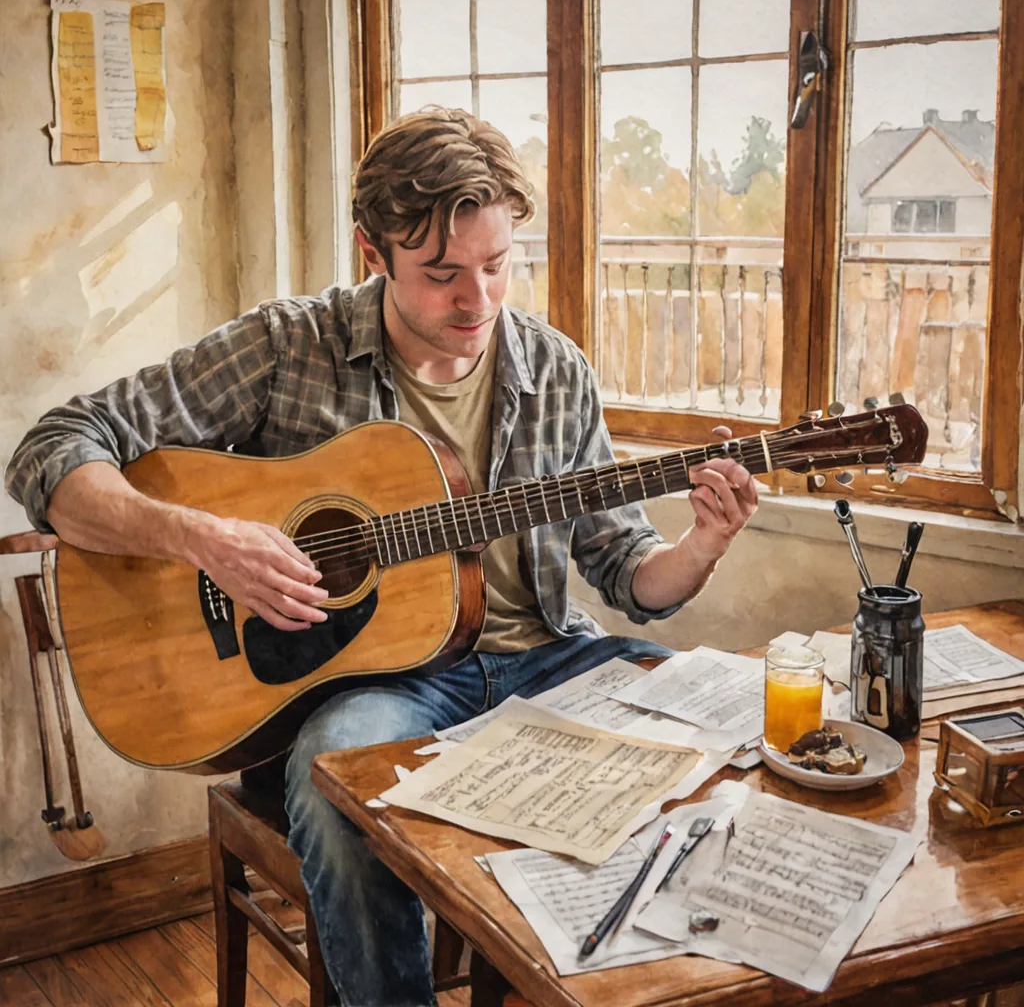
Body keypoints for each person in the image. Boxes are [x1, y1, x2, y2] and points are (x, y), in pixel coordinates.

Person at [5, 107, 758, 1006]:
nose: (477, 300)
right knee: (336, 779)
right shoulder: (290, 346)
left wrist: (702, 544)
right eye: (442, 275)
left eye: (496, 264)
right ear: (374, 252)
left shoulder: (556, 370)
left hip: (546, 661)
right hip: (381, 687)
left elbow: (627, 570)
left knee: (711, 731)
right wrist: (204, 538)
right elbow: (52, 447)